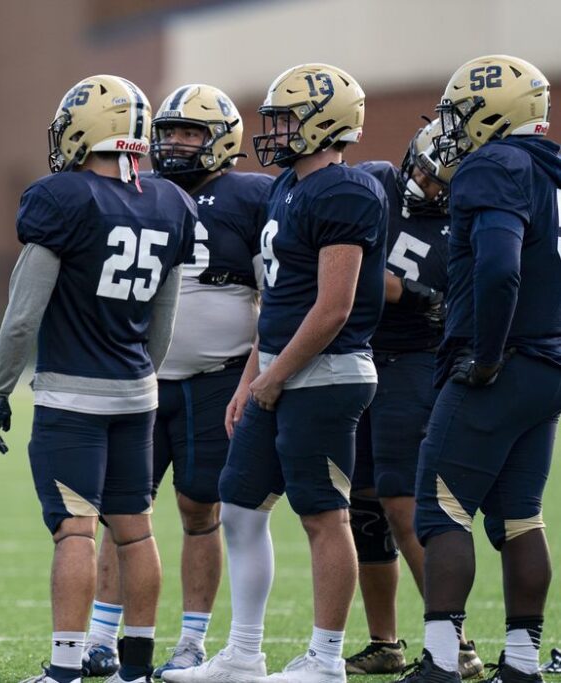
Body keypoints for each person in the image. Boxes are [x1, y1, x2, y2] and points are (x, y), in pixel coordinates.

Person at [165, 62, 386, 683]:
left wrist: (272, 375)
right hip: (280, 371)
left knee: (323, 515)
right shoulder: (288, 185)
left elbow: (333, 307)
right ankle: (244, 653)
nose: (277, 130)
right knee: (239, 507)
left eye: (289, 119)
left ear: (327, 122)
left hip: (327, 373)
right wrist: (251, 380)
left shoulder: (344, 190)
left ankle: (325, 659)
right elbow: (282, 300)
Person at [0, 74, 196, 683]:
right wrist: (142, 380)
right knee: (135, 533)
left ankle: (66, 668)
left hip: (73, 393)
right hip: (138, 391)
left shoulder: (62, 198)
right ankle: (138, 667)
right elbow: (164, 320)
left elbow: (22, 316)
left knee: (76, 533)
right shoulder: (171, 202)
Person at [79, 84, 272, 679]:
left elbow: (274, 296)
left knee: (198, 506)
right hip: (142, 376)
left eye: (191, 133)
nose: (176, 144)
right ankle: (100, 637)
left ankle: (192, 640)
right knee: (121, 510)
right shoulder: (142, 191)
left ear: (223, 140)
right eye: (169, 133)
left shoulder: (250, 196)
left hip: (216, 378)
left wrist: (254, 375)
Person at [399, 54, 561, 683]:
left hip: (505, 358)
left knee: (442, 508)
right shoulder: (550, 169)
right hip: (547, 365)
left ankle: (442, 661)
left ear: (495, 113)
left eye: (460, 113)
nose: (450, 127)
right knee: (520, 514)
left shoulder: (495, 164)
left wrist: (488, 354)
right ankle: (520, 662)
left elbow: (499, 267)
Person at [343, 121, 483, 678]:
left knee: (402, 503)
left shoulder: (462, 229)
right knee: (363, 508)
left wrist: (411, 293)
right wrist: (401, 289)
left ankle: (456, 643)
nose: (424, 183)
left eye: (437, 179)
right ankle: (386, 643)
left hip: (414, 364)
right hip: (361, 356)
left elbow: (450, 298)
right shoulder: (374, 183)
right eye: (422, 170)